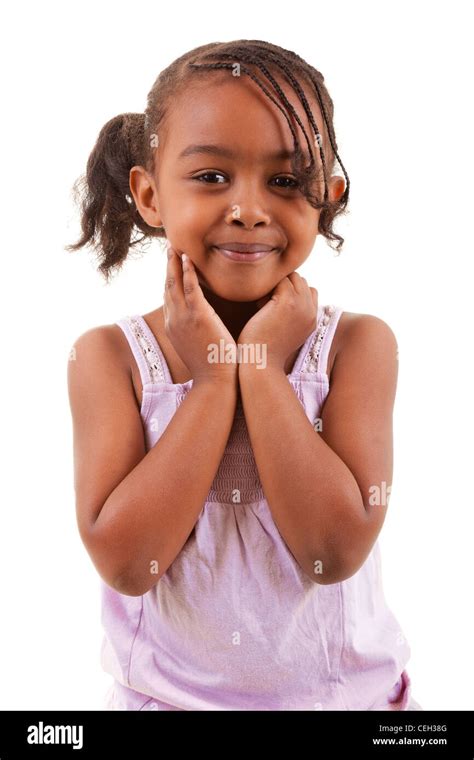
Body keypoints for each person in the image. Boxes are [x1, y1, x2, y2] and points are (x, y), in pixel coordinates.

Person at [66, 39, 422, 711]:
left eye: (286, 181)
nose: (249, 209)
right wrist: (209, 382)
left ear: (328, 196)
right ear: (149, 192)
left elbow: (333, 550)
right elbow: (125, 562)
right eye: (210, 177)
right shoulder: (111, 360)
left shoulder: (357, 348)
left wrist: (257, 370)